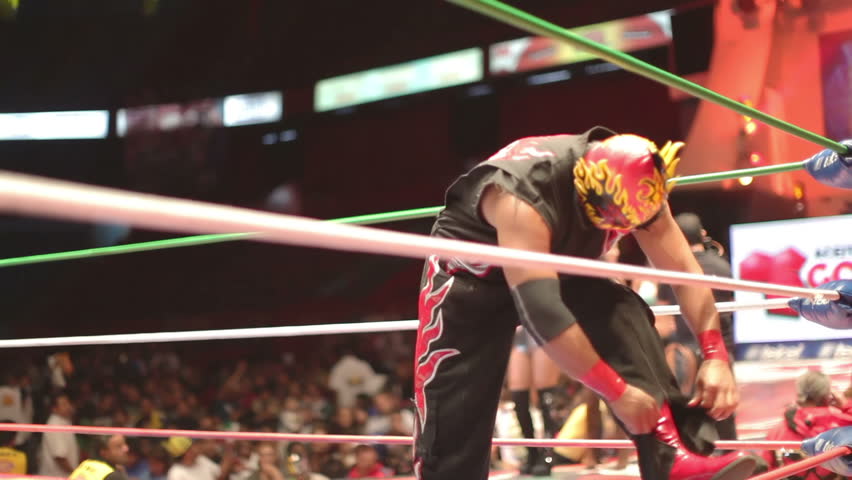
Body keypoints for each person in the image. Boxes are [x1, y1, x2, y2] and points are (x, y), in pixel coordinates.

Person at [413, 128, 758, 480]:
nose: (618, 232)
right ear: (584, 188)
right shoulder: (523, 195)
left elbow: (686, 273)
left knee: (621, 311)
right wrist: (617, 392)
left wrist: (714, 355)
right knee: (454, 424)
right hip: (470, 281)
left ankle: (673, 460)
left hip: (555, 264)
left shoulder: (640, 186)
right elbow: (542, 312)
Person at [657, 212, 738, 440]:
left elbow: (666, 322)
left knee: (690, 415)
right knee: (724, 412)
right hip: (722, 347)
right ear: (702, 235)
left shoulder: (671, 271)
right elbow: (730, 306)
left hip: (687, 349)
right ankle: (730, 458)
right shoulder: (722, 265)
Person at [761, 371, 852, 480]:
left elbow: (765, 467)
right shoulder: (842, 423)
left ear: (799, 394)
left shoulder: (778, 430)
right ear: (828, 395)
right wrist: (846, 406)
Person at [506, 326, 562, 475]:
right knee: (518, 396)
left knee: (546, 395)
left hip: (542, 327)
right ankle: (531, 452)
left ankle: (547, 455)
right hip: (519, 332)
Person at [38, 393, 79, 477]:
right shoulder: (54, 425)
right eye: (64, 404)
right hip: (55, 476)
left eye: (68, 403)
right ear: (54, 409)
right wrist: (76, 474)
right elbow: (60, 457)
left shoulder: (65, 421)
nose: (68, 407)